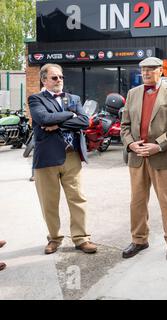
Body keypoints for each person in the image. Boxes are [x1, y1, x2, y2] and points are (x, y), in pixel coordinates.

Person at [28, 63, 97, 255]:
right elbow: (43, 119)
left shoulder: (73, 98)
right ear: (44, 80)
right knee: (49, 202)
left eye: (61, 77)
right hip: (47, 159)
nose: (59, 80)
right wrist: (70, 115)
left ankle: (81, 238)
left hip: (71, 156)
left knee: (78, 198)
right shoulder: (36, 99)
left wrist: (58, 125)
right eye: (54, 77)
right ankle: (54, 238)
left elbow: (84, 121)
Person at [121, 57, 167, 261]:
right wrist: (131, 144)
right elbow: (124, 126)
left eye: (150, 70)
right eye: (143, 70)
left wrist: (158, 145)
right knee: (137, 202)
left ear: (161, 71)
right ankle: (139, 239)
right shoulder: (132, 93)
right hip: (138, 157)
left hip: (162, 156)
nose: (146, 73)